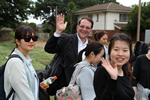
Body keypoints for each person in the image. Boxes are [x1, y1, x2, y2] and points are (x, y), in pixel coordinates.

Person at [44, 13, 93, 94]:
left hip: (82, 89)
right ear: (77, 27)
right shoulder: (66, 39)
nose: (84, 29)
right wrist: (58, 31)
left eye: (87, 28)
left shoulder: (91, 46)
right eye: (82, 26)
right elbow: (49, 49)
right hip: (63, 89)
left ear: (90, 31)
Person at [4, 25, 48, 100]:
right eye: (27, 39)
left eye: (34, 38)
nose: (31, 41)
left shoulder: (26, 59)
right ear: (17, 41)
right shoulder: (16, 63)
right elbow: (24, 94)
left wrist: (39, 86)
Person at [94, 33, 134, 100]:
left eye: (125, 50)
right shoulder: (102, 71)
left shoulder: (125, 70)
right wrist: (113, 79)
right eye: (116, 49)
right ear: (109, 52)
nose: (120, 54)